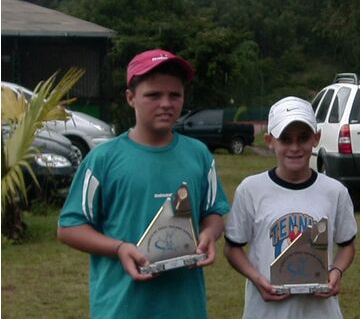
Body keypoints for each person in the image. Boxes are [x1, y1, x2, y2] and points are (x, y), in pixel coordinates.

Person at [57, 49, 230, 319]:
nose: (166, 103)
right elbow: (70, 228)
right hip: (122, 307)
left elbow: (214, 213)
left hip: (185, 308)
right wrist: (119, 248)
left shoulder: (199, 154)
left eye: (175, 95)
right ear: (131, 98)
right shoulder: (103, 159)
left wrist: (209, 234)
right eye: (153, 95)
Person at [224, 96, 357, 319]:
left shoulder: (335, 191)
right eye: (285, 139)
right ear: (269, 140)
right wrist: (258, 280)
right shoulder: (251, 189)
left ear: (316, 138)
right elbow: (232, 248)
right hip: (266, 312)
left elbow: (347, 245)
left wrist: (336, 271)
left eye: (303, 138)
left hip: (319, 312)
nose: (294, 147)